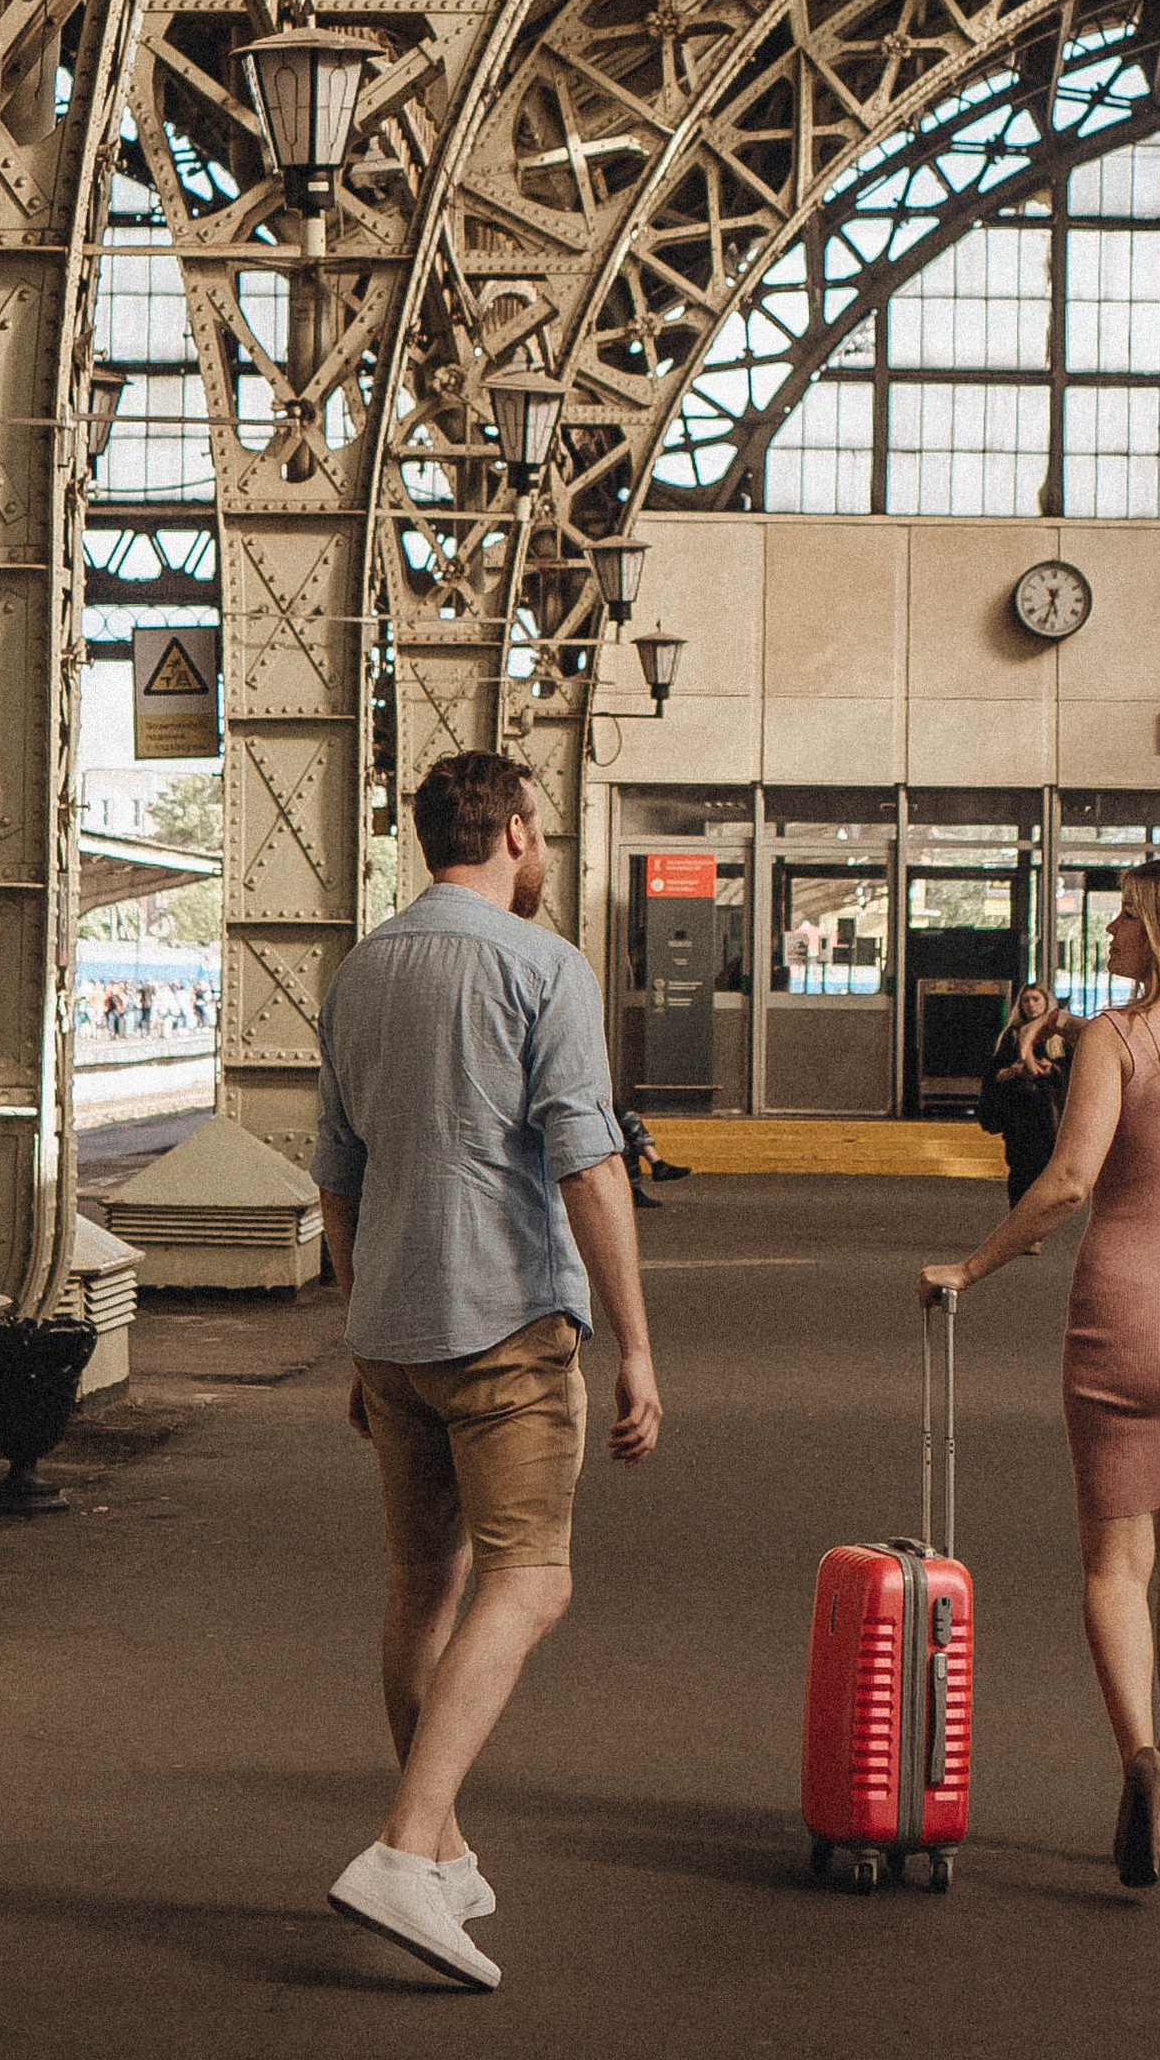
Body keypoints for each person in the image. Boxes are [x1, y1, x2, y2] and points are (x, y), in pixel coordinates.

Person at [319, 749, 663, 1992]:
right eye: (547, 833)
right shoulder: (541, 966)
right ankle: (406, 1850)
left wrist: (361, 1332)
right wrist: (634, 1342)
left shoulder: (359, 971)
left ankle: (445, 1847)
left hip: (394, 1329)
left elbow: (337, 1174)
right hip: (507, 1323)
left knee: (423, 1585)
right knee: (530, 1583)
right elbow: (589, 1163)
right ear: (517, 832)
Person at [922, 861, 1160, 1892]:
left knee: (1113, 1563)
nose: (1111, 926)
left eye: (1126, 912)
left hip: (1133, 1307)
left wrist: (970, 1267)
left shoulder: (1114, 1039)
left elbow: (1069, 1181)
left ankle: (1138, 1760)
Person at [978, 982, 1073, 1203]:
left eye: (1035, 999)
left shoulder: (1059, 1040)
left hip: (1048, 1114)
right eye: (1026, 1000)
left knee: (1045, 1170)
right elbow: (994, 1076)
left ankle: (1035, 1224)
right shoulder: (1011, 1036)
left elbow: (1070, 1074)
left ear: (1046, 1002)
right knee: (1020, 1171)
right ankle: (1020, 1222)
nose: (1031, 1005)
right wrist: (1015, 1071)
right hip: (1018, 1114)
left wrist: (1051, 1070)